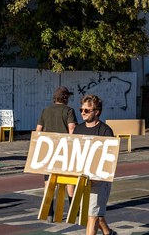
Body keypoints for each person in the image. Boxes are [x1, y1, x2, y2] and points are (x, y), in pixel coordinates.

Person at [73, 95, 117, 235]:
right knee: (93, 213)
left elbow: (110, 158)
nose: (83, 113)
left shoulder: (105, 131)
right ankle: (108, 233)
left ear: (96, 112)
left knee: (92, 215)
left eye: (87, 110)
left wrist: (99, 176)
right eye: (81, 109)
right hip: (82, 178)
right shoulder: (78, 130)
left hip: (99, 179)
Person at [36, 86, 78, 222]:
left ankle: (49, 213)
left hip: (48, 151)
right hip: (64, 150)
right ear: (65, 98)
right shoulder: (69, 111)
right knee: (69, 181)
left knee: (48, 182)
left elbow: (38, 131)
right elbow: (72, 129)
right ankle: (73, 210)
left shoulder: (45, 111)